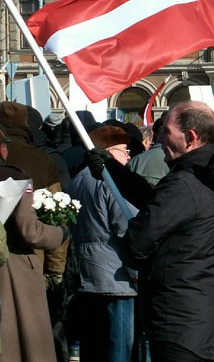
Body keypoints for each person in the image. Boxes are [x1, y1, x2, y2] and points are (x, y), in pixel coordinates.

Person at [121, 101, 214, 361]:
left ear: (190, 138)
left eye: (166, 131)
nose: (158, 137)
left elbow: (135, 244)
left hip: (178, 317)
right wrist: (115, 172)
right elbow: (166, 208)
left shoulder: (185, 184)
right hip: (207, 311)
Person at [67, 125, 141, 362]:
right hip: (116, 278)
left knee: (94, 345)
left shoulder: (77, 179)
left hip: (86, 276)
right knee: (119, 347)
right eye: (123, 150)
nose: (128, 155)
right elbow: (126, 229)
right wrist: (137, 273)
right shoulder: (110, 181)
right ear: (108, 151)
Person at [0, 123, 69, 362]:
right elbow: (29, 231)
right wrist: (60, 234)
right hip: (14, 268)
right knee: (24, 343)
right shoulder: (14, 177)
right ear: (2, 150)